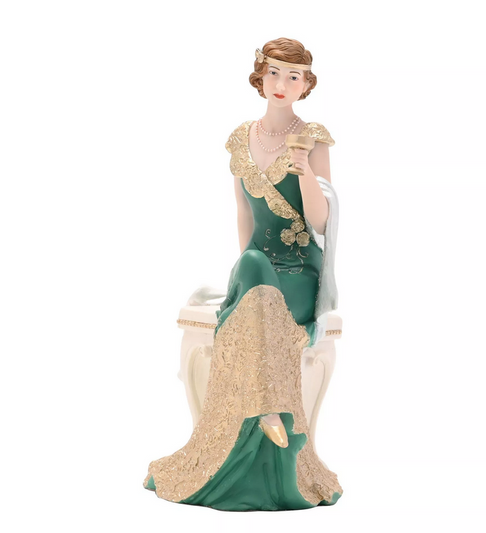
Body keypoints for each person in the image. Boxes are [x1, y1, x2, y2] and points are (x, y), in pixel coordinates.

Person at [144, 37, 342, 511]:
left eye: (293, 76)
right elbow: (243, 214)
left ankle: (269, 410)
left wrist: (304, 171)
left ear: (306, 84)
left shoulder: (313, 137)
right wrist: (249, 282)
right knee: (251, 263)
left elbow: (321, 223)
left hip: (298, 271)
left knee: (257, 273)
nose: (281, 83)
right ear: (260, 77)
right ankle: (265, 409)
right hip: (255, 269)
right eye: (273, 73)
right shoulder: (240, 139)